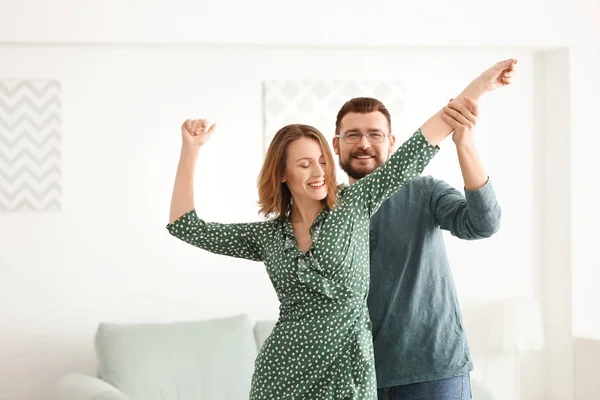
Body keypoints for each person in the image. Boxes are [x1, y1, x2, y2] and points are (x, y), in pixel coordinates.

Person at [166, 58, 515, 399]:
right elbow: (186, 227)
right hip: (284, 372)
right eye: (305, 164)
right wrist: (190, 150)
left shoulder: (355, 204)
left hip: (360, 371)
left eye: (321, 162)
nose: (319, 171)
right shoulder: (267, 236)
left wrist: (481, 86)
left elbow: (424, 141)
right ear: (283, 174)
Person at [332, 61, 516, 400]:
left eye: (375, 134)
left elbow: (484, 223)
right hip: (356, 376)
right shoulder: (324, 210)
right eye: (353, 134)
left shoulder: (425, 191)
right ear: (336, 144)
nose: (364, 144)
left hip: (434, 369)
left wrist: (465, 143)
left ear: (391, 142)